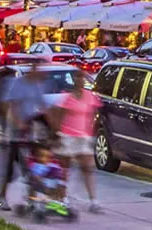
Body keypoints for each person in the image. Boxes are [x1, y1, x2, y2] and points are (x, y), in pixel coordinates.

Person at [0, 62, 54, 211]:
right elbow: (12, 106)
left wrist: (51, 127)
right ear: (32, 71)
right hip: (15, 133)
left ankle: (31, 199)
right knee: (10, 169)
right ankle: (2, 198)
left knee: (33, 167)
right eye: (38, 71)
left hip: (30, 132)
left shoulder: (37, 86)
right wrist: (19, 123)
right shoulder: (19, 84)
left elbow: (43, 107)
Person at [51, 69, 103, 211]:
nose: (80, 81)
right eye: (77, 78)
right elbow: (59, 115)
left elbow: (95, 113)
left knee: (87, 168)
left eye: (81, 78)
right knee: (65, 168)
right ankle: (63, 197)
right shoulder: (67, 97)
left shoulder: (89, 96)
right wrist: (58, 133)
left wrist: (92, 130)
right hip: (68, 135)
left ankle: (93, 200)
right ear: (74, 81)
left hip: (83, 136)